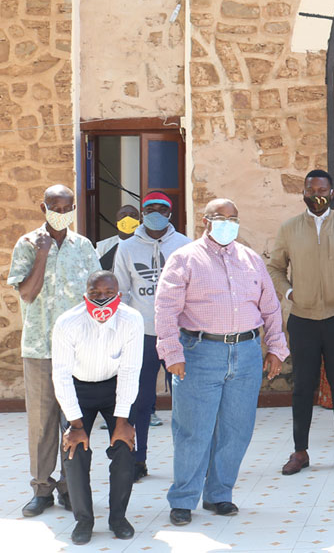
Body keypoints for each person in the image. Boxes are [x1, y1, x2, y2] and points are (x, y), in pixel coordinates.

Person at [155, 198, 288, 525]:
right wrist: (172, 354)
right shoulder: (184, 259)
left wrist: (276, 348)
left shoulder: (251, 259)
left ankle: (219, 494)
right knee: (193, 430)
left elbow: (270, 308)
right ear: (206, 221)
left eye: (233, 217)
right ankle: (184, 499)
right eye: (221, 218)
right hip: (200, 353)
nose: (228, 223)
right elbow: (166, 310)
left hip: (245, 354)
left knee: (236, 429)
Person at [270, 169, 334, 476]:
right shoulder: (289, 229)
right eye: (310, 189)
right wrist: (290, 292)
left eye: (322, 189)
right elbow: (275, 268)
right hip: (303, 318)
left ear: (332, 193)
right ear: (303, 192)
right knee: (302, 386)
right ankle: (299, 451)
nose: (316, 194)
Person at [8, 184, 101, 517]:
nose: (62, 215)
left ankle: (68, 487)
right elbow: (27, 294)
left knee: (74, 419)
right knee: (42, 422)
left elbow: (96, 293)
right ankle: (41, 488)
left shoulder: (84, 246)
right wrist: (43, 254)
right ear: (43, 207)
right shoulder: (28, 244)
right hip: (40, 348)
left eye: (68, 208)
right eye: (56, 208)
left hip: (79, 350)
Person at [51, 270, 143, 544]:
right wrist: (76, 425)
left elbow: (130, 369)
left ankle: (118, 518)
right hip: (78, 389)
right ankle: (84, 520)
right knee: (74, 451)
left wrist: (123, 420)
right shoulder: (67, 323)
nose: (102, 300)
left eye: (108, 294)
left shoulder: (132, 319)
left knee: (125, 448)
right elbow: (61, 375)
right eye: (95, 294)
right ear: (85, 296)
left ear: (120, 295)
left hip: (116, 387)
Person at [112, 191, 190, 481]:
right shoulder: (128, 247)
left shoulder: (185, 245)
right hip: (142, 334)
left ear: (170, 213)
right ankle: (137, 459)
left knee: (185, 403)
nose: (155, 212)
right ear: (142, 213)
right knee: (140, 402)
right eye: (149, 208)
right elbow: (120, 290)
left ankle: (188, 462)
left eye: (161, 208)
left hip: (179, 335)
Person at [95, 204, 141, 271]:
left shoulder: (148, 244)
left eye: (133, 215)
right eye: (123, 216)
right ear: (117, 224)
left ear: (139, 222)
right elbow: (95, 271)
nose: (128, 219)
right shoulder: (102, 247)